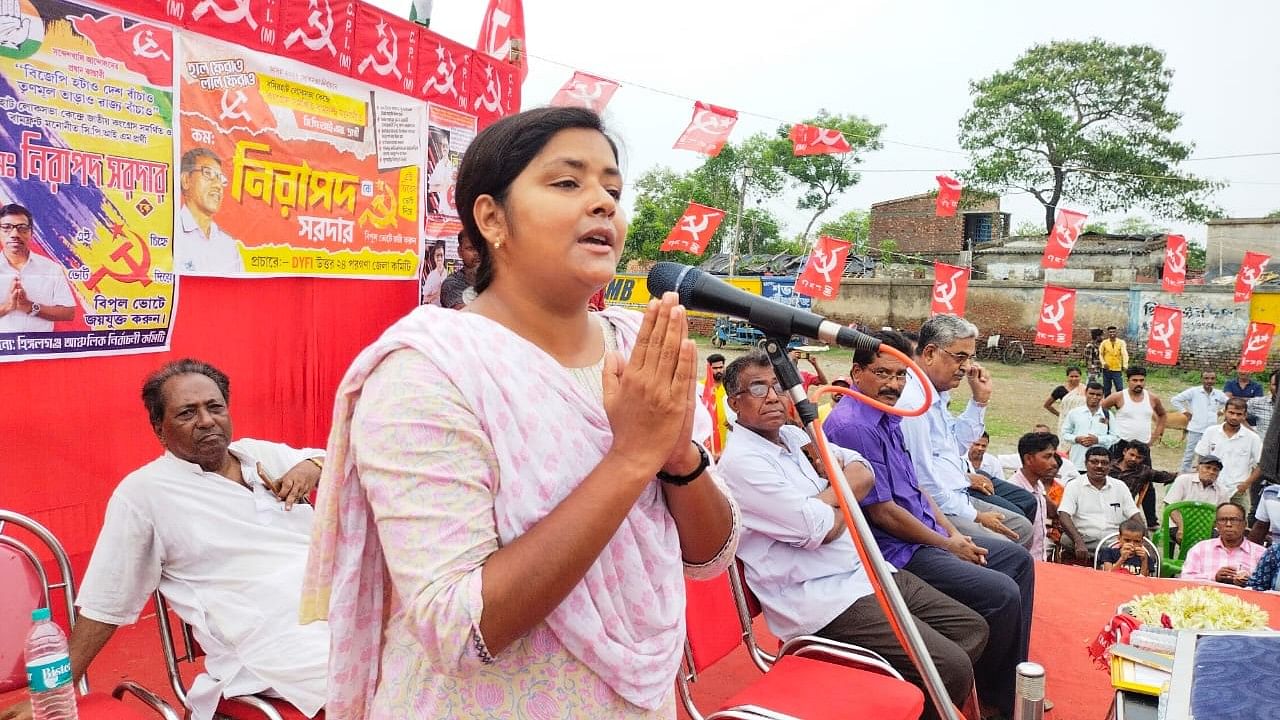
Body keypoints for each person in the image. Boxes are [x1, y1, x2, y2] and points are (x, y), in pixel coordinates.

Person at [297, 107, 739, 719]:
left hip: (641, 699)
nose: (603, 203)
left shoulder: (640, 349)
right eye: (568, 182)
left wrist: (676, 455)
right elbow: (458, 629)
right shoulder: (427, 372)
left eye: (612, 189)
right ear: (491, 218)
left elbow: (710, 555)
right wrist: (632, 456)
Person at [0, 359, 329, 720]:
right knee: (377, 678)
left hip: (338, 612)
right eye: (187, 413)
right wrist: (54, 692)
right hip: (275, 646)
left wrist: (312, 466)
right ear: (159, 428)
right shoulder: (145, 494)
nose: (206, 421)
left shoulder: (261, 455)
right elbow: (104, 605)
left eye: (214, 407)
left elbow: (340, 458)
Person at [718, 351, 989, 720]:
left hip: (864, 573)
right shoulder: (741, 463)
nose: (773, 397)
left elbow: (864, 473)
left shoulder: (796, 436)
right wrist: (843, 500)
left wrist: (827, 500)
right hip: (822, 600)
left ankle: (905, 702)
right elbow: (821, 529)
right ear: (734, 403)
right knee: (950, 668)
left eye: (780, 386)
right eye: (758, 387)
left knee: (972, 628)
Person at [822, 331, 1035, 719]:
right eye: (883, 373)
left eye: (901, 375)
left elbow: (917, 486)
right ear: (856, 372)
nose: (894, 384)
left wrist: (953, 534)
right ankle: (993, 699)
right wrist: (946, 542)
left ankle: (1002, 687)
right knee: (1000, 591)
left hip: (925, 532)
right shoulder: (854, 425)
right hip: (897, 549)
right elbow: (883, 512)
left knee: (1017, 560)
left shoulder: (887, 416)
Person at [898, 314, 1035, 549]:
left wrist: (979, 401)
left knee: (1022, 527)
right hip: (937, 506)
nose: (967, 367)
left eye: (970, 358)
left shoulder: (936, 393)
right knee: (1011, 547)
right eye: (960, 357)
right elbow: (924, 483)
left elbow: (957, 446)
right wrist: (974, 515)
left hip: (956, 491)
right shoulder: (913, 403)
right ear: (930, 353)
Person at [1057, 445, 1145, 562]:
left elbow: (1134, 514)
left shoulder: (1120, 486)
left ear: (1110, 465)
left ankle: (1105, 558)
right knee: (1066, 540)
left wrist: (1147, 541)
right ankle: (1105, 558)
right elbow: (1064, 515)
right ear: (1085, 463)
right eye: (1094, 462)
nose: (1099, 466)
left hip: (1114, 541)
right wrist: (1078, 542)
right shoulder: (1074, 485)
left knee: (1135, 549)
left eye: (1104, 463)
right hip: (1085, 539)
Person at [0, 203, 75, 332]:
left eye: (22, 227)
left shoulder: (52, 268)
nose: (14, 234)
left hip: (40, 348)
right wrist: (7, 307)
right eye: (6, 227)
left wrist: (30, 307)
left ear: (31, 233)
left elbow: (69, 313)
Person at [176, 148, 244, 275]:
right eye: (208, 174)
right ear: (186, 180)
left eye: (220, 178)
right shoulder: (172, 233)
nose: (218, 186)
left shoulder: (228, 245)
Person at [1195, 397, 1264, 514]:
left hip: (1237, 490)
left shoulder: (1252, 438)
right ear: (1225, 412)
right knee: (1207, 521)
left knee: (1237, 524)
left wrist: (1246, 484)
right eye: (1231, 413)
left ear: (1245, 415)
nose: (1234, 417)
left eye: (1239, 414)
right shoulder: (1211, 432)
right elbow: (1201, 457)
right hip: (1211, 486)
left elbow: (1261, 464)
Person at [1005, 431, 1063, 561]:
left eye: (1054, 456)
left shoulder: (1039, 486)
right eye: (1047, 457)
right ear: (1029, 459)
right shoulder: (1014, 491)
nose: (1054, 463)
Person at [1180, 502, 1265, 584]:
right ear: (1216, 525)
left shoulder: (1261, 553)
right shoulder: (1200, 549)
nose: (1228, 524)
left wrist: (1249, 582)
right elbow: (1185, 578)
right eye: (1223, 520)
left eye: (1234, 520)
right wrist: (1214, 577)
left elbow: (1268, 585)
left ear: (1245, 524)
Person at [967, 432, 1038, 524]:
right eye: (977, 444)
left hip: (987, 484)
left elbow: (1000, 481)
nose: (980, 448)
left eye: (983, 446)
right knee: (1018, 515)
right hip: (969, 484)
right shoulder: (961, 456)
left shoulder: (993, 461)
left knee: (1029, 500)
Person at [1170, 370, 1228, 471]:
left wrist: (1221, 411)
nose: (1209, 381)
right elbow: (1175, 400)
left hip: (1212, 430)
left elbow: (1230, 403)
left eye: (1212, 378)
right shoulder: (1194, 391)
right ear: (1201, 379)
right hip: (1196, 428)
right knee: (1189, 454)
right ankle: (1183, 475)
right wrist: (1185, 412)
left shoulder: (1218, 394)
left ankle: (1204, 474)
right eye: (1206, 378)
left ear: (1215, 380)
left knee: (1209, 455)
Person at [1110, 439, 1176, 528]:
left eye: (1138, 457)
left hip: (1124, 509)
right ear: (1124, 451)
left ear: (1143, 459)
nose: (1134, 459)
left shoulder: (1143, 471)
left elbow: (1167, 476)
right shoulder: (1109, 465)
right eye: (1132, 455)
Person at [1165, 456, 1233, 540]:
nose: (1211, 472)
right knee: (1190, 539)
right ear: (1198, 468)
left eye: (1215, 470)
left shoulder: (1223, 491)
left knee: (1222, 541)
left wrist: (1204, 530)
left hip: (1207, 528)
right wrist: (1182, 527)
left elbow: (1222, 515)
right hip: (1178, 524)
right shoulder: (1183, 480)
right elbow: (1171, 507)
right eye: (1207, 468)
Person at [1102, 366, 1167, 446]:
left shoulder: (1153, 398)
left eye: (1141, 380)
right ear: (1128, 381)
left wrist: (1154, 437)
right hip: (1120, 443)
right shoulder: (1118, 397)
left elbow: (1162, 415)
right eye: (1135, 380)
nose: (1138, 383)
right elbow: (1100, 411)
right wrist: (1108, 426)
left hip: (1144, 444)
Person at [1062, 382, 1117, 469]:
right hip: (1077, 461)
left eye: (1098, 395)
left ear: (1103, 396)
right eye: (1091, 393)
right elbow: (1065, 433)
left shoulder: (1108, 414)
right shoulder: (1074, 413)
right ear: (1085, 393)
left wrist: (1098, 440)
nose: (1094, 397)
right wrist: (1077, 439)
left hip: (1099, 464)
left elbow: (1115, 437)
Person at [439, 230, 480, 309]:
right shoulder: (452, 284)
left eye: (481, 247)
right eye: (470, 248)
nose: (477, 253)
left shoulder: (498, 280)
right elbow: (468, 315)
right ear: (460, 252)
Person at [1043, 366, 1087, 436]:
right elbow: (1047, 405)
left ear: (1080, 377)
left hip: (1082, 421)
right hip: (1066, 421)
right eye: (1071, 376)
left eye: (1076, 376)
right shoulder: (1060, 390)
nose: (1074, 378)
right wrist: (1059, 414)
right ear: (1067, 377)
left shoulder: (1086, 389)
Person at [1099, 326, 1128, 396]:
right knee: (1106, 388)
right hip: (1107, 369)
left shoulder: (1121, 342)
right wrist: (1103, 363)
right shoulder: (1104, 343)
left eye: (1113, 332)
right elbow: (1100, 354)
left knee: (1120, 388)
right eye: (1110, 332)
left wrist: (1125, 365)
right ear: (1108, 333)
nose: (1112, 333)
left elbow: (1124, 354)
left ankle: (1120, 404)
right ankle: (1107, 405)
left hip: (1117, 369)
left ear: (1116, 332)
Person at [419, 239, 448, 305]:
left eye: (441, 255)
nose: (439, 258)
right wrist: (438, 294)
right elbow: (425, 299)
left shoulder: (448, 274)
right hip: (434, 311)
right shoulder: (431, 276)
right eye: (437, 255)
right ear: (434, 258)